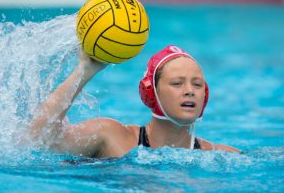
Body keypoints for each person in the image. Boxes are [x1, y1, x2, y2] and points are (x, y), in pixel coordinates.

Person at [29, 45, 239, 158]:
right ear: (150, 92)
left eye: (197, 84)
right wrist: (84, 71)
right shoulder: (111, 137)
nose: (189, 91)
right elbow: (38, 139)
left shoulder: (224, 156)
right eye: (177, 83)